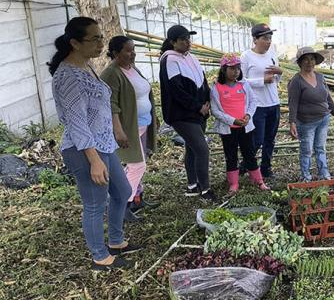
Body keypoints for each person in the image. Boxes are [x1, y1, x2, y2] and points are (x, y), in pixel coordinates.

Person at [49, 17, 141, 270]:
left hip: (103, 144)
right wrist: (94, 160)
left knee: (122, 192)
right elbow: (77, 123)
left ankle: (116, 241)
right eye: (95, 39)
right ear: (75, 43)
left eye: (101, 37)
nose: (101, 43)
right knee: (95, 204)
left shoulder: (85, 66)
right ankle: (100, 256)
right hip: (84, 150)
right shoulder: (68, 77)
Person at [100, 36, 159, 218]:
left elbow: (144, 94)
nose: (132, 53)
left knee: (139, 160)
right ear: (116, 53)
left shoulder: (132, 68)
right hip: (128, 128)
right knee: (137, 165)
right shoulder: (111, 73)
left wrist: (153, 117)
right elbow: (110, 105)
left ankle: (137, 198)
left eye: (133, 49)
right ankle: (122, 205)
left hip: (143, 123)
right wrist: (118, 131)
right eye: (128, 50)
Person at [158, 25, 214, 201]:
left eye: (188, 39)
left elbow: (203, 81)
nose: (187, 42)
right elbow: (176, 90)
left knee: (192, 148)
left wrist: (207, 102)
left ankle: (192, 186)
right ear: (172, 42)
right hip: (182, 115)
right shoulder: (169, 60)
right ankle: (205, 190)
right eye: (182, 40)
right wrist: (197, 106)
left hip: (199, 112)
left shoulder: (190, 57)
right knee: (202, 149)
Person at [288, 47, 334, 181]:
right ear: (300, 62)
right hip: (306, 122)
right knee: (307, 150)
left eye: (312, 59)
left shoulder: (320, 77)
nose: (309, 62)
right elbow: (293, 103)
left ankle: (324, 174)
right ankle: (306, 177)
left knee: (320, 148)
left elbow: (328, 98)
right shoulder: (296, 81)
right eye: (305, 59)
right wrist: (292, 122)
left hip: (323, 119)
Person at [210, 53, 269, 193]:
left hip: (245, 127)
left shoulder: (244, 84)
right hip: (228, 128)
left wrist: (248, 115)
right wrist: (232, 120)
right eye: (232, 68)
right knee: (231, 155)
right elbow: (215, 111)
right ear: (223, 69)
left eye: (238, 68)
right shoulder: (216, 88)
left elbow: (253, 101)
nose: (236, 71)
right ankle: (234, 184)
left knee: (249, 153)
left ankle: (259, 181)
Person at [240, 24, 283, 179]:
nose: (268, 42)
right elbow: (240, 81)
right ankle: (245, 165)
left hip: (273, 103)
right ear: (255, 40)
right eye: (265, 38)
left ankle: (266, 168)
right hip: (257, 105)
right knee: (257, 139)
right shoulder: (246, 56)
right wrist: (261, 81)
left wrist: (280, 72)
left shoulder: (272, 55)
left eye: (270, 38)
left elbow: (276, 80)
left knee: (270, 139)